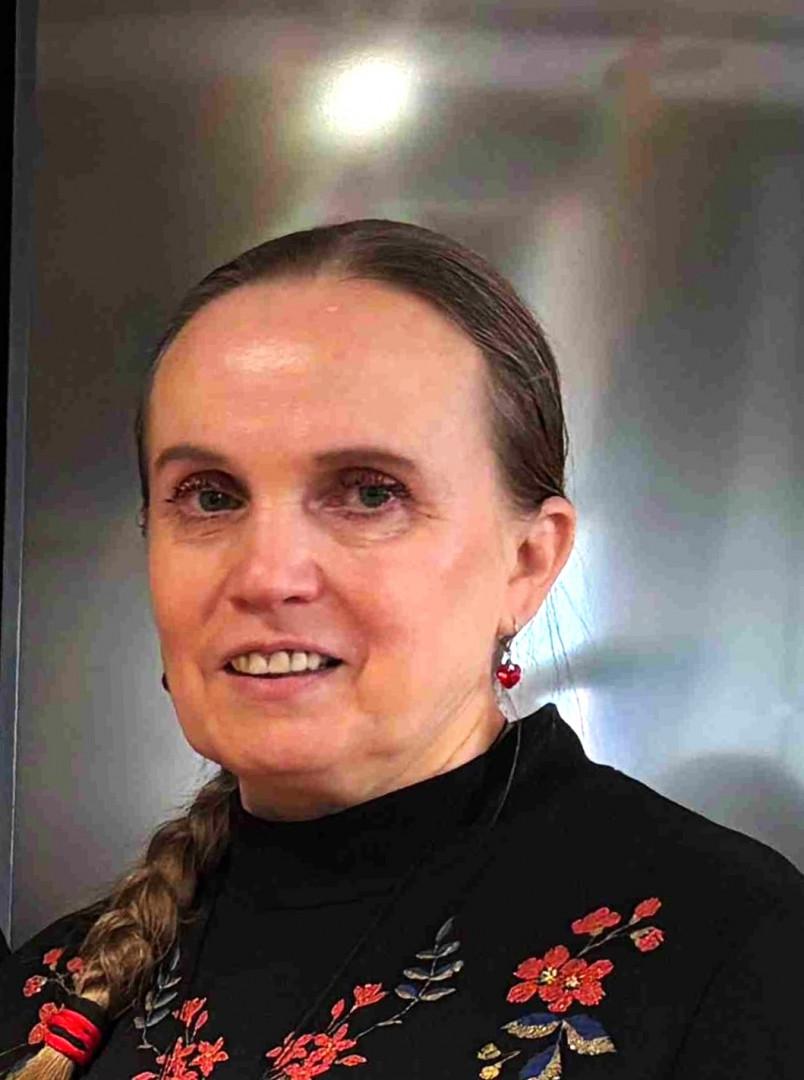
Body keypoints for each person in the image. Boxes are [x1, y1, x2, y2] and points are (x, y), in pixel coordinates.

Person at [1, 219, 802, 1080]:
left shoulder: (735, 955)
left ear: (528, 563)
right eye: (209, 496)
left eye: (370, 493)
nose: (266, 576)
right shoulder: (49, 992)